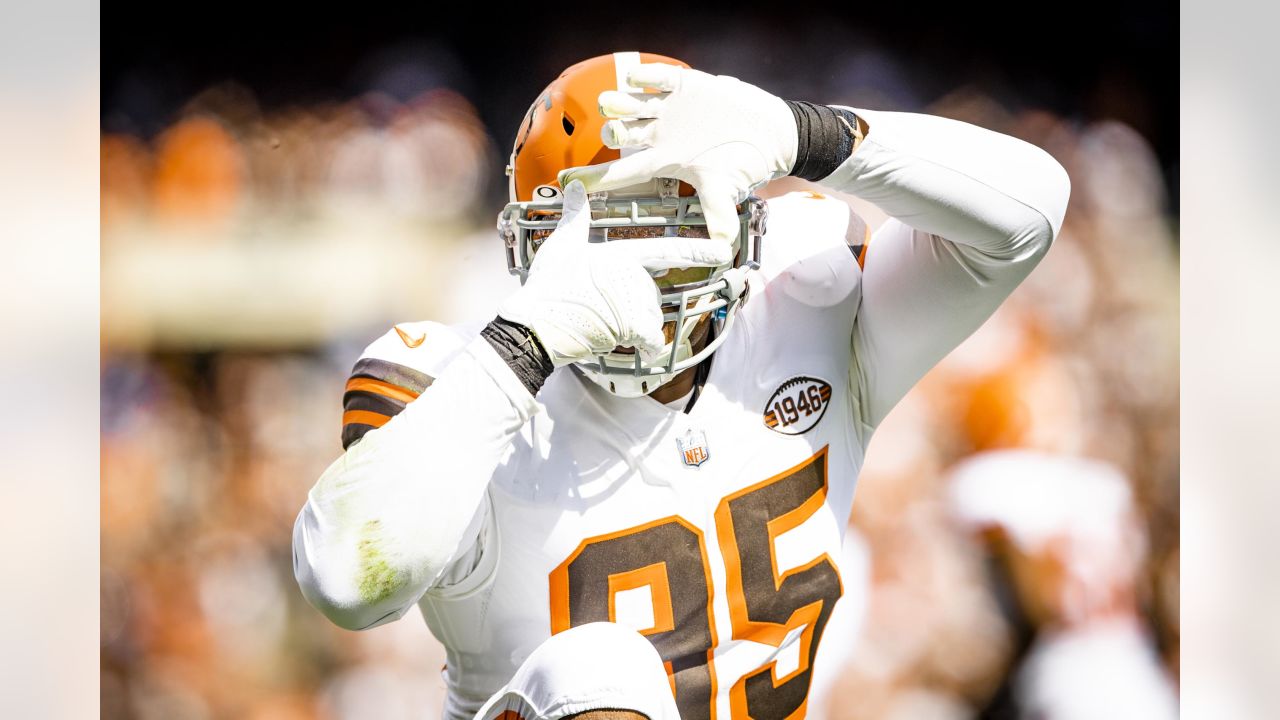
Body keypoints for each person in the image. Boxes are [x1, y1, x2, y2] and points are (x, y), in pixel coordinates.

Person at [292, 51, 1070, 719]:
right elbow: (345, 582)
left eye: (663, 217)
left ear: (732, 212)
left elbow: (1029, 213)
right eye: (602, 228)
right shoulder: (455, 371)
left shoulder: (802, 304)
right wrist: (523, 345)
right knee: (595, 670)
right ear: (536, 239)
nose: (641, 260)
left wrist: (804, 132)